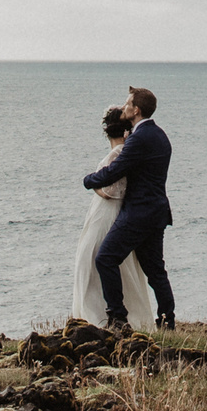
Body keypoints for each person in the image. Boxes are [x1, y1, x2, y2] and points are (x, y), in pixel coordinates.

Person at [82, 85, 175, 330]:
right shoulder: (160, 136)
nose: (124, 107)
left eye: (127, 104)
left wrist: (88, 180)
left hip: (138, 214)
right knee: (156, 272)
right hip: (156, 212)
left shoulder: (139, 138)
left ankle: (118, 318)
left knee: (105, 259)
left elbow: (115, 170)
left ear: (136, 110)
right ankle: (168, 322)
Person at [72, 107, 158, 329]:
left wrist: (94, 186)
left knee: (92, 260)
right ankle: (105, 314)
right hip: (110, 212)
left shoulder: (118, 153)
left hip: (107, 212)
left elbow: (113, 191)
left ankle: (99, 315)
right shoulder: (124, 150)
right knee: (109, 264)